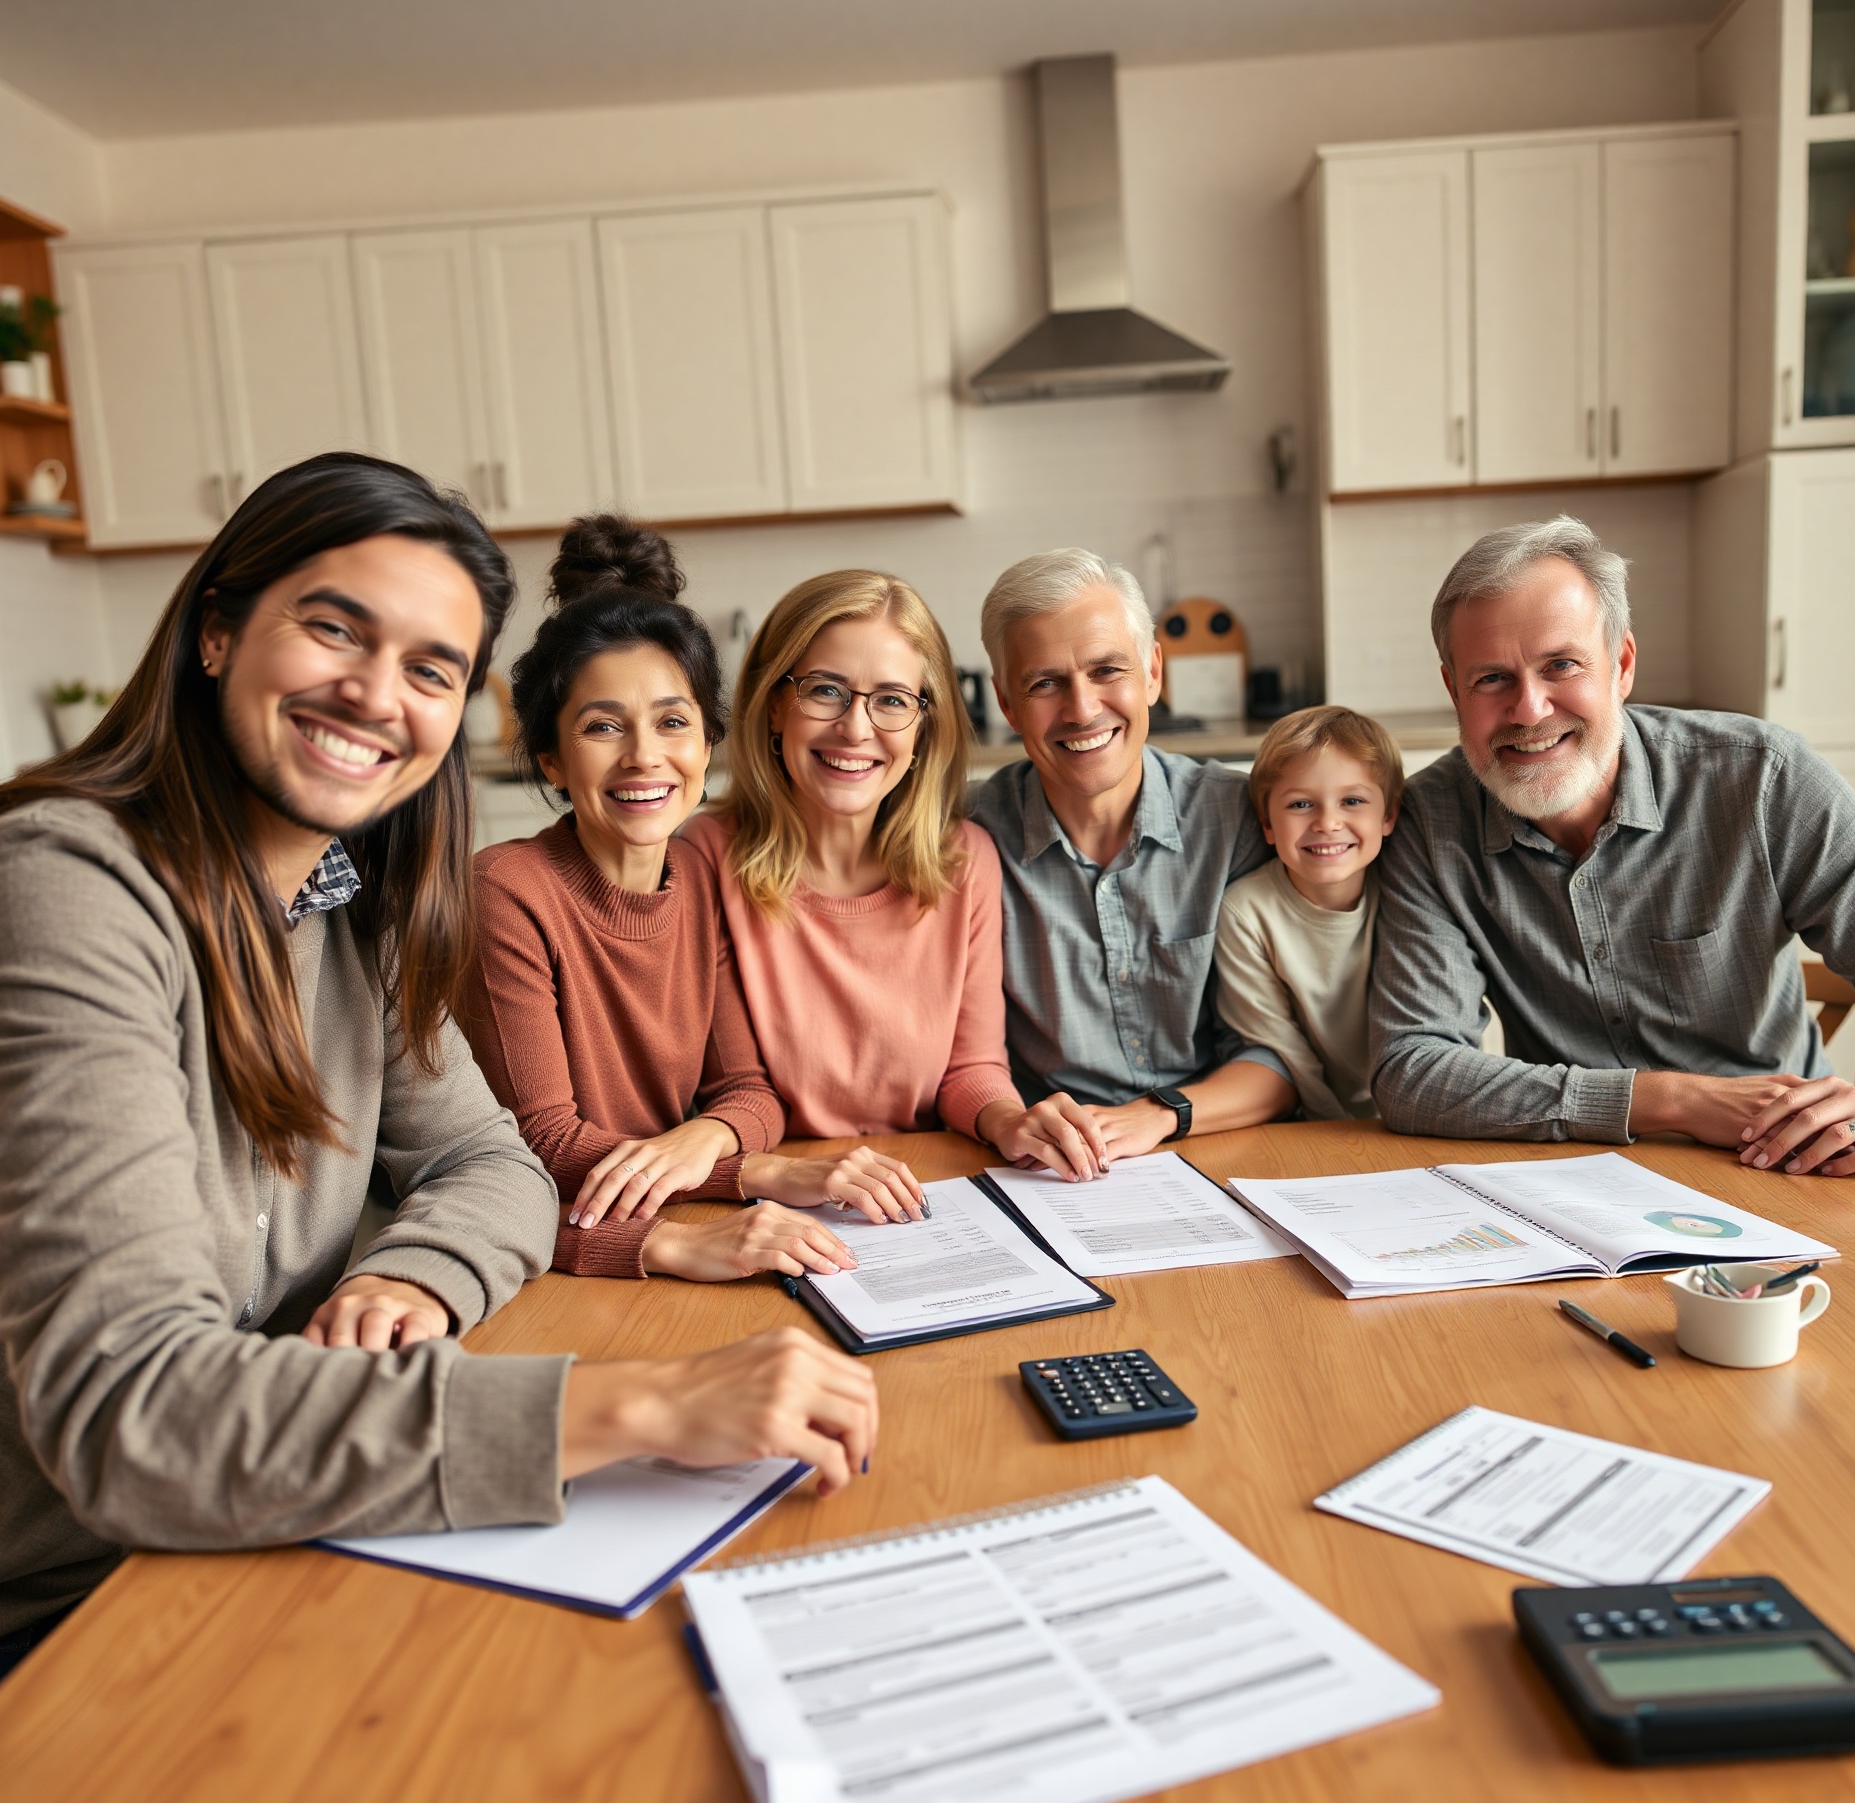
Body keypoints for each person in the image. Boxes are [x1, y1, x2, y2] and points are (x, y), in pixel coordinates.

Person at [0, 455, 875, 1723]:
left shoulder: (355, 901)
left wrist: (415, 1272)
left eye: (431, 666)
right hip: (38, 1604)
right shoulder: (57, 881)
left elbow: (492, 1166)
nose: (376, 694)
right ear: (215, 632)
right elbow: (133, 1408)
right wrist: (649, 1400)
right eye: (334, 627)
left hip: (278, 1512)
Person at [1368, 515, 1855, 1173]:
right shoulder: (1429, 822)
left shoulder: (1762, 779)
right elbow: (1413, 1069)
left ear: (1621, 666)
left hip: (1785, 1169)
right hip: (1573, 1182)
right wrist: (1667, 1099)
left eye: (1562, 664)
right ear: (1454, 691)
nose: (1529, 709)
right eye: (1492, 679)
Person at [465, 517, 926, 1279]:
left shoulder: (700, 875)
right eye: (602, 726)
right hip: (565, 1254)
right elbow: (544, 1144)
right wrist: (749, 1170)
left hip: (673, 1225)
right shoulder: (508, 891)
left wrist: (705, 1137)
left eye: (672, 722)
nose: (644, 755)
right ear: (551, 759)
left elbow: (749, 1092)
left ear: (708, 746)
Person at [683, 570, 1055, 1163]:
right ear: (776, 704)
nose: (856, 729)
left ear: (923, 726)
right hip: (781, 1181)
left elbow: (970, 1070)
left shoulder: (965, 862)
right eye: (825, 690)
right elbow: (741, 1090)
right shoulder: (705, 858)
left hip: (929, 1178)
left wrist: (1011, 1122)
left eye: (891, 700)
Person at [968, 549, 1294, 1178]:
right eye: (1044, 683)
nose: (1082, 709)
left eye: (1106, 670)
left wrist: (1159, 1113)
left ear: (1152, 673)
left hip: (1217, 1143)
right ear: (1007, 704)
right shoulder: (966, 840)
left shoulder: (1240, 820)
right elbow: (966, 1064)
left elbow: (1280, 1062)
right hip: (1047, 1171)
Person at [1213, 705, 1402, 1121]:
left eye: (1352, 800)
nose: (1328, 823)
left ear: (1388, 814)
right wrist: (1340, 1135)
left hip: (1408, 1115)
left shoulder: (1409, 890)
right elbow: (1282, 1050)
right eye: (1301, 804)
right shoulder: (1246, 912)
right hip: (1307, 1123)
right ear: (1267, 822)